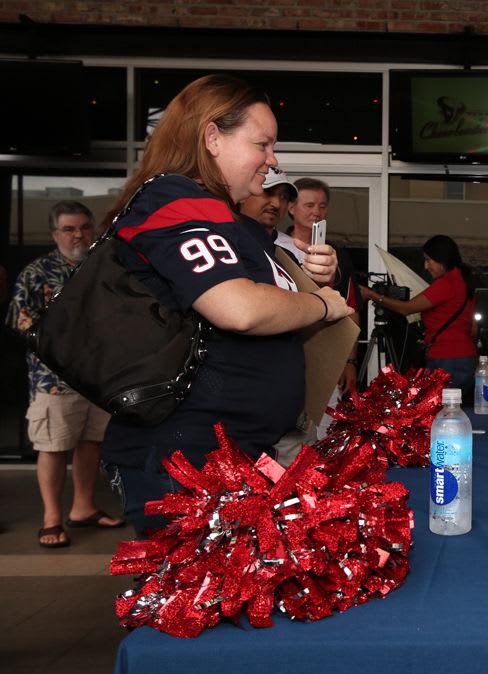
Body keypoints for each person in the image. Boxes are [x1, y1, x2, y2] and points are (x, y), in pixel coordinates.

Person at [99, 74, 353, 535]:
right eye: (263, 144)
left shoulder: (224, 219)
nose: (272, 161)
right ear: (212, 137)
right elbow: (239, 308)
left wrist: (309, 280)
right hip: (189, 466)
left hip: (235, 458)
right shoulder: (173, 200)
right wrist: (321, 305)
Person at [6, 201, 124, 547]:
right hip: (54, 380)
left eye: (84, 227)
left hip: (98, 378)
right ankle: (51, 519)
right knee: (54, 446)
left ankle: (83, 507)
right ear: (55, 233)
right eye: (69, 229)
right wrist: (61, 342)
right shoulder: (37, 272)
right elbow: (18, 319)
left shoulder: (102, 267)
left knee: (91, 443)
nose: (78, 235)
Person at [240, 168, 360, 447]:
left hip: (302, 373)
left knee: (312, 448)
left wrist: (347, 359)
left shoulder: (328, 255)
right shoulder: (238, 244)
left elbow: (346, 309)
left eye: (281, 196)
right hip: (253, 388)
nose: (275, 203)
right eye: (267, 192)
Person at [359, 235, 477, 403]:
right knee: (451, 411)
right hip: (462, 357)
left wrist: (371, 295)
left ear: (442, 259)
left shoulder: (447, 284)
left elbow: (406, 308)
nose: (426, 266)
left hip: (447, 360)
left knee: (438, 414)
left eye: (429, 260)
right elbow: (472, 327)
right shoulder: (463, 281)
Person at [279, 176, 362, 398]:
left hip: (326, 355)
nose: (316, 211)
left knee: (323, 426)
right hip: (281, 352)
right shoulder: (274, 248)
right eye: (309, 205)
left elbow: (351, 309)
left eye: (322, 205)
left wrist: (350, 361)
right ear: (291, 208)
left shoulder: (337, 256)